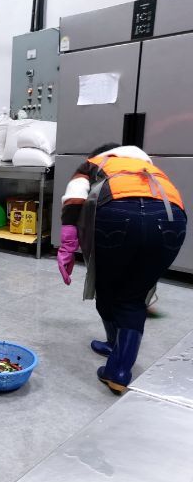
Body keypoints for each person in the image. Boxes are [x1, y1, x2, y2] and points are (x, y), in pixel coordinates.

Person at [57, 143, 186, 394]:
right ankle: (116, 354)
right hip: (172, 218)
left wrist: (68, 244)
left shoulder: (94, 164)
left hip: (117, 216)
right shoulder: (146, 166)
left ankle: (117, 369)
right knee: (134, 297)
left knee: (107, 287)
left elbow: (75, 195)